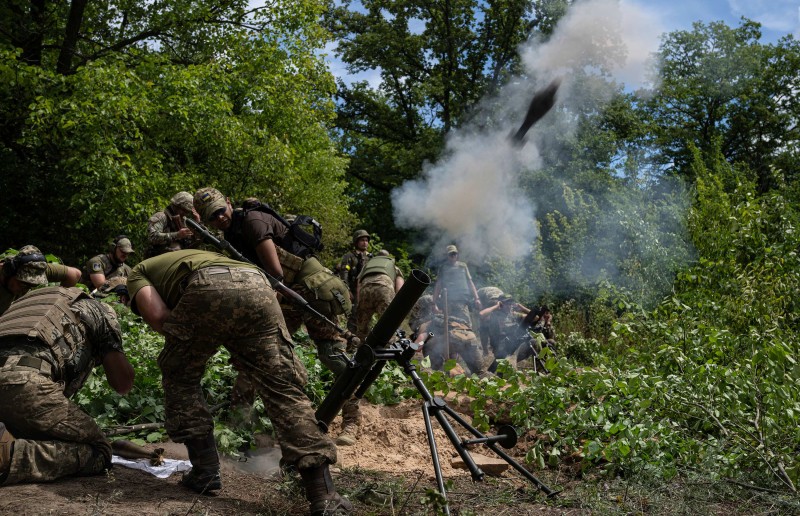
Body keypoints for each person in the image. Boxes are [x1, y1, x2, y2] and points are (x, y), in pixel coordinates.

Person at [125, 249, 352, 513]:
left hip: (207, 286)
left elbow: (159, 317)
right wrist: (235, 342)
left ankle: (205, 471)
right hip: (258, 284)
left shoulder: (137, 273)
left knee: (180, 376)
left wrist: (197, 340)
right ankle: (323, 494)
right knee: (281, 386)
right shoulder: (198, 256)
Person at [193, 188, 361, 446]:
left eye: (220, 211)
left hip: (310, 287)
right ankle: (239, 424)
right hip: (286, 292)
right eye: (211, 217)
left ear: (228, 202)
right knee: (258, 354)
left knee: (331, 354)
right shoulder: (231, 232)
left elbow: (275, 273)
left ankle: (352, 421)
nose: (219, 218)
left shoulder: (252, 221)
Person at [0, 286, 134, 485]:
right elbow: (123, 383)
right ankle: (8, 457)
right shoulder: (101, 311)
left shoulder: (27, 302)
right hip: (24, 382)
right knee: (100, 450)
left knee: (19, 430)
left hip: (19, 384)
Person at [413, 295, 487, 377]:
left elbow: (418, 346)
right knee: (480, 373)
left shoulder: (426, 324)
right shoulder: (447, 318)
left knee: (427, 346)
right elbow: (453, 350)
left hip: (453, 339)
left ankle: (440, 373)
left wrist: (411, 345)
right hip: (470, 337)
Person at [0, 245, 82, 315]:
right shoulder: (13, 269)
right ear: (9, 271)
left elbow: (74, 274)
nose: (25, 289)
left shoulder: (34, 270)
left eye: (31, 285)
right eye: (23, 284)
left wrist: (59, 305)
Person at [354, 250, 404, 342]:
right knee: (388, 323)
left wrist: (359, 302)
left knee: (362, 325)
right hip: (384, 290)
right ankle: (388, 344)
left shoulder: (367, 266)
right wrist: (396, 306)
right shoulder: (393, 266)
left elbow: (358, 284)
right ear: (388, 257)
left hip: (365, 290)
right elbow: (400, 287)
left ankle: (359, 345)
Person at [431, 245, 481, 325]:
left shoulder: (463, 266)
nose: (453, 256)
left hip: (462, 301)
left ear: (457, 254)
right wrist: (434, 303)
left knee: (466, 324)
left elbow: (470, 282)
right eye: (451, 254)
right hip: (448, 301)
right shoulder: (443, 267)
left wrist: (477, 298)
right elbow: (438, 285)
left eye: (454, 253)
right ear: (447, 255)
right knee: (448, 324)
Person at [144, 191, 201, 258]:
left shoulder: (183, 220)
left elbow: (189, 243)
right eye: (184, 210)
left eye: (187, 212)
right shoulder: (161, 216)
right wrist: (177, 235)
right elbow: (152, 237)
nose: (185, 214)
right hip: (158, 257)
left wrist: (197, 224)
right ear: (176, 206)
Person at [336, 230, 371, 331]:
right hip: (353, 290)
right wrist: (347, 290)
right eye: (362, 240)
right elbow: (344, 274)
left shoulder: (370, 257)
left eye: (366, 240)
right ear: (356, 242)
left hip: (367, 290)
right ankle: (352, 336)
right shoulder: (349, 256)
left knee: (366, 316)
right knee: (354, 314)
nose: (365, 243)